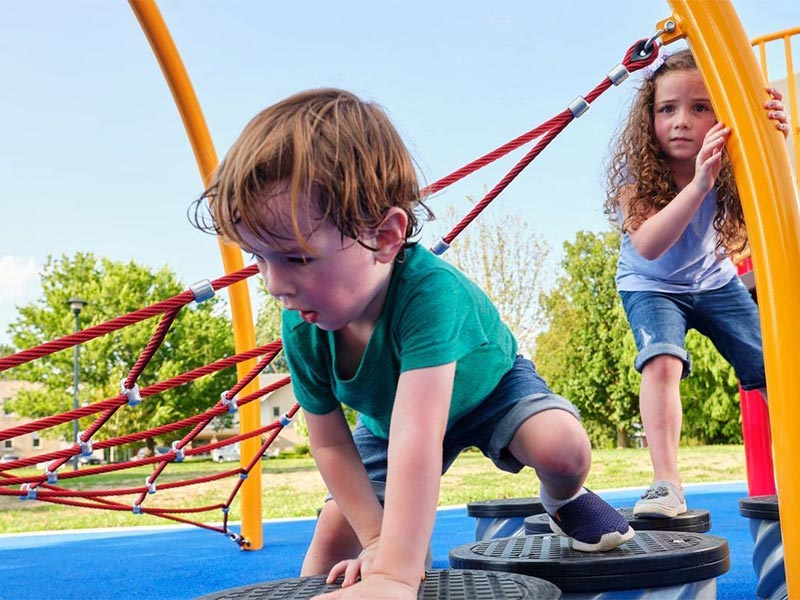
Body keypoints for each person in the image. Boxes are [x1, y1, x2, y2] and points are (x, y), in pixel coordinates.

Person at [194, 88, 634, 599]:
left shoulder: (430, 294)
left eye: (295, 258)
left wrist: (396, 574)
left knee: (563, 450)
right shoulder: (303, 324)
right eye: (259, 259)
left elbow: (418, 437)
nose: (274, 284)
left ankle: (563, 500)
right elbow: (332, 442)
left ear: (383, 238)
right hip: (388, 424)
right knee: (333, 542)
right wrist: (378, 537)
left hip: (489, 391)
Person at [604, 48, 790, 518]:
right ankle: (666, 483)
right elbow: (648, 244)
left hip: (714, 281)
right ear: (650, 117)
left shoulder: (732, 162)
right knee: (662, 361)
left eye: (700, 107)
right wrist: (699, 184)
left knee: (771, 365)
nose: (681, 121)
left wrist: (773, 140)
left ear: (722, 113)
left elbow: (771, 206)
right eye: (667, 109)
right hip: (650, 285)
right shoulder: (637, 173)